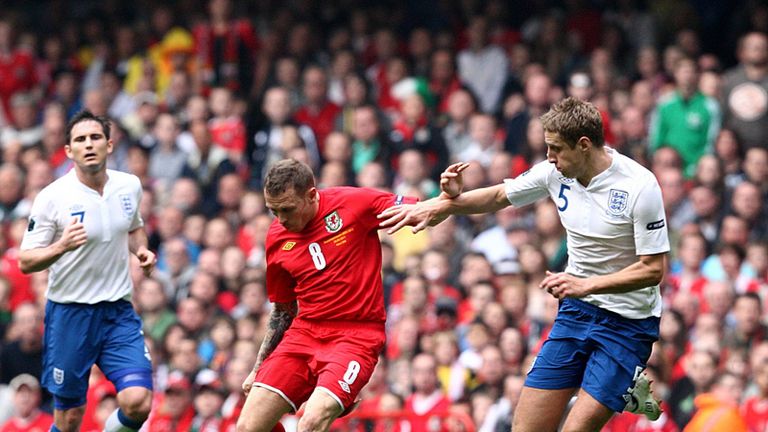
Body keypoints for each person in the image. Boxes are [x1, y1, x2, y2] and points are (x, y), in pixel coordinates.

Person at [379, 97, 670, 431]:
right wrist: (440, 205)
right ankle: (611, 387)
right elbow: (501, 195)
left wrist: (585, 284)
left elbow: (653, 270)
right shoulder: (555, 173)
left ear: (584, 145)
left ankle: (620, 385)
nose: (549, 157)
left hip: (627, 322)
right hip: (577, 312)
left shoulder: (639, 186)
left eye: (556, 149)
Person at [236, 159, 417, 432]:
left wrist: (448, 197)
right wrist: (257, 368)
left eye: (287, 209)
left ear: (311, 195)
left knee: (309, 423)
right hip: (304, 333)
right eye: (273, 211)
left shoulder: (353, 203)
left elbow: (419, 209)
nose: (281, 219)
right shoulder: (276, 236)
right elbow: (284, 310)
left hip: (355, 337)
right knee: (247, 428)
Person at [17, 110, 156, 432]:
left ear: (109, 144)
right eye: (80, 139)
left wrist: (142, 250)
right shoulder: (52, 197)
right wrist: (60, 246)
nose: (88, 144)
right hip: (69, 315)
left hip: (117, 311)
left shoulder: (129, 186)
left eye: (95, 137)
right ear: (69, 151)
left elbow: (134, 228)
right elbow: (26, 261)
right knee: (69, 419)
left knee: (138, 402)